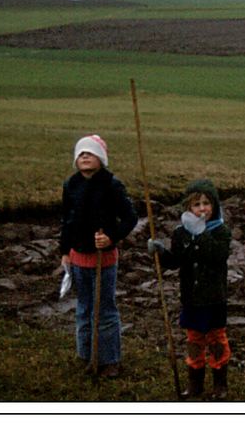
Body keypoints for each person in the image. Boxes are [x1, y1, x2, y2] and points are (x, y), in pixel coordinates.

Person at [60, 134, 137, 378]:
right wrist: (64, 251)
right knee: (83, 309)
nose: (84, 156)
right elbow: (67, 220)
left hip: (104, 260)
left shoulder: (112, 185)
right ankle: (86, 356)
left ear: (101, 159)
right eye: (81, 153)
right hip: (78, 258)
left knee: (104, 310)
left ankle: (110, 360)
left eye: (90, 153)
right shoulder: (70, 185)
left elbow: (130, 218)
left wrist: (112, 237)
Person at [148, 179, 232, 400]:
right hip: (191, 299)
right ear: (188, 208)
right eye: (196, 204)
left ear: (214, 206)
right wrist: (161, 253)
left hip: (214, 299)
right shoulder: (180, 233)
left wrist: (201, 233)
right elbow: (176, 261)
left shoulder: (221, 231)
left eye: (206, 203)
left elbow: (218, 256)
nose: (202, 208)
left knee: (216, 339)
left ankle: (220, 384)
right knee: (194, 340)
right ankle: (194, 384)